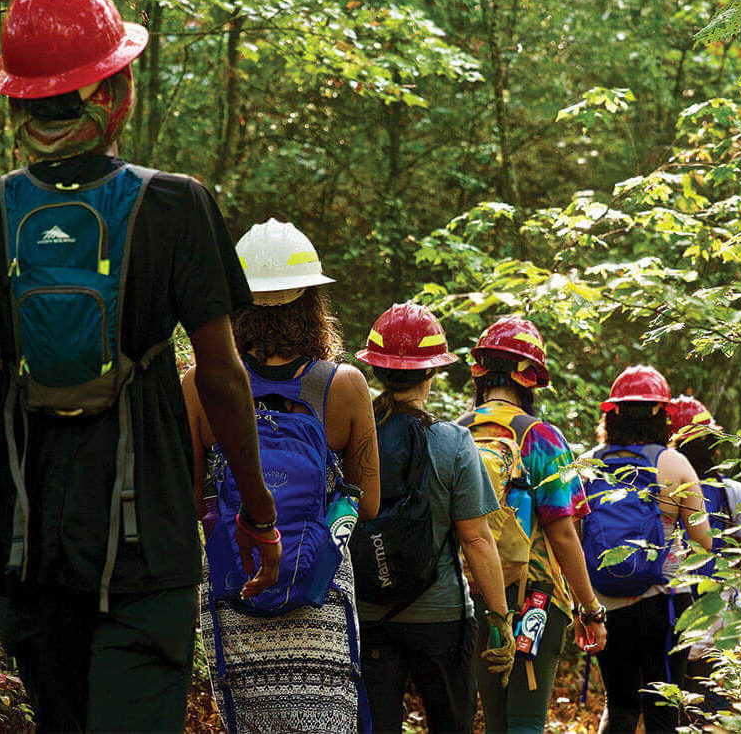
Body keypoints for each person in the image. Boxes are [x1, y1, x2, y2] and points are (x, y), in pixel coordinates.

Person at [0, 0, 277, 732]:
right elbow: (225, 377)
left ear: (17, 102)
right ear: (114, 90)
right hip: (149, 540)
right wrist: (257, 511)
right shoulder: (177, 204)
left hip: (25, 537)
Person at [183, 218, 380, 733]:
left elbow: (188, 497)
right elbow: (370, 502)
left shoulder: (198, 384)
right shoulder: (345, 387)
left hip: (235, 583)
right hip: (320, 590)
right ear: (314, 301)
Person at [352, 303, 514, 734]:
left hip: (369, 615)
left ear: (377, 370)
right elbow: (477, 540)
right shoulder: (454, 442)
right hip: (441, 618)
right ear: (432, 372)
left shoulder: (353, 435)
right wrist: (500, 617)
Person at [457, 316, 607, 734]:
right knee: (523, 722)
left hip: (470, 594)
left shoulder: (453, 433)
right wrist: (589, 608)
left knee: (494, 718)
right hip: (535, 598)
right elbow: (562, 532)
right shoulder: (542, 437)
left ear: (481, 371)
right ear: (531, 378)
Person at [584, 366, 711, 734]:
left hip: (606, 602)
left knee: (621, 704)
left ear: (612, 413)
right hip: (665, 602)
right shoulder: (673, 464)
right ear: (663, 415)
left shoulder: (589, 464)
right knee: (662, 707)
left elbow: (576, 537)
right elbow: (704, 540)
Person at [666, 395, 741, 714]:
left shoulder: (654, 489)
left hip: (666, 614)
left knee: (668, 708)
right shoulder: (735, 493)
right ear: (714, 444)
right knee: (715, 710)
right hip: (720, 620)